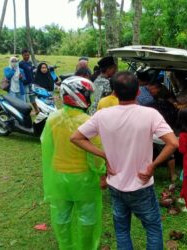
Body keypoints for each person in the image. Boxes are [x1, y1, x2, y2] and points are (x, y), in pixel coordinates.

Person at [70, 71, 178, 250]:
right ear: (138, 92)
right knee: (152, 228)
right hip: (141, 185)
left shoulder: (102, 115)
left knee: (121, 230)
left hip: (115, 184)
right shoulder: (150, 114)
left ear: (114, 93)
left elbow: (76, 137)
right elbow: (173, 143)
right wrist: (153, 165)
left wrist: (104, 154)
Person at [41, 76, 105, 250]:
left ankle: (66, 246)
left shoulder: (52, 119)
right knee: (88, 217)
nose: (90, 98)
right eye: (87, 94)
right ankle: (86, 247)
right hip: (83, 178)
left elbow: (49, 147)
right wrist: (102, 175)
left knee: (61, 216)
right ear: (79, 95)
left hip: (58, 177)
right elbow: (97, 153)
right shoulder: (87, 122)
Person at [148, 82, 178, 182]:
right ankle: (173, 174)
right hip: (164, 134)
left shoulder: (150, 105)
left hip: (152, 134)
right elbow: (174, 119)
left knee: (149, 155)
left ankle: (150, 173)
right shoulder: (170, 106)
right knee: (170, 155)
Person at [19, 48, 39, 114]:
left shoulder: (30, 63)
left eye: (28, 55)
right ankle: (26, 113)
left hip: (31, 83)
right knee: (26, 99)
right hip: (25, 84)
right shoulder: (21, 64)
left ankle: (37, 110)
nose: (27, 56)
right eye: (25, 55)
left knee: (32, 97)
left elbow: (32, 72)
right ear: (22, 55)